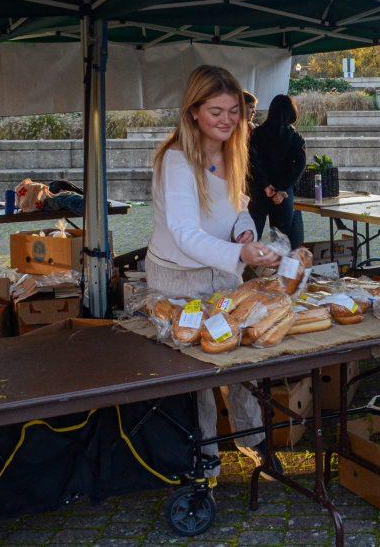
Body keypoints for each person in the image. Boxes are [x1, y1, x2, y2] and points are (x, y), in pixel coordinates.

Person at [145, 65, 280, 471]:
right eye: (216, 111)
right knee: (197, 376)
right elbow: (184, 232)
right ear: (193, 112)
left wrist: (243, 233)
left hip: (222, 271)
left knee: (241, 357)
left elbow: (237, 206)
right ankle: (203, 460)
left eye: (234, 111)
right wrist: (239, 256)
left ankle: (254, 441)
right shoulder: (175, 160)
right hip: (178, 278)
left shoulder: (232, 149)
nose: (226, 120)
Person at [248, 94, 307, 247]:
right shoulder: (295, 138)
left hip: (258, 191)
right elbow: (299, 166)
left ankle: (249, 268)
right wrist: (282, 189)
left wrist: (266, 185)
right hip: (283, 194)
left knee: (253, 235)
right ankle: (282, 270)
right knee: (282, 241)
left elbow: (252, 162)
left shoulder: (256, 134)